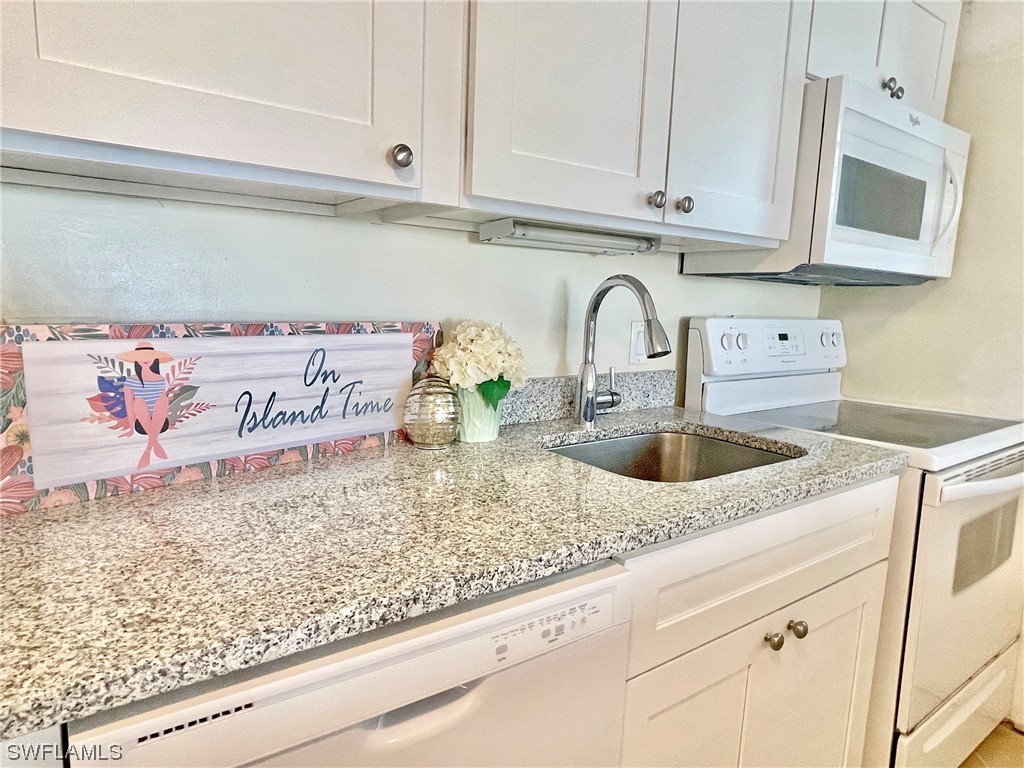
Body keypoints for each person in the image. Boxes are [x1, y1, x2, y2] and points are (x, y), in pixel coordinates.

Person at [117, 342, 174, 470]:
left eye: (149, 356)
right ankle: (154, 443)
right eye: (142, 356)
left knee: (163, 400)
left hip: (161, 422)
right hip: (142, 424)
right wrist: (131, 427)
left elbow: (164, 406)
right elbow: (129, 406)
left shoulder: (160, 379)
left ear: (155, 359)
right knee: (138, 402)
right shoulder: (131, 380)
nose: (145, 359)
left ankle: (149, 449)